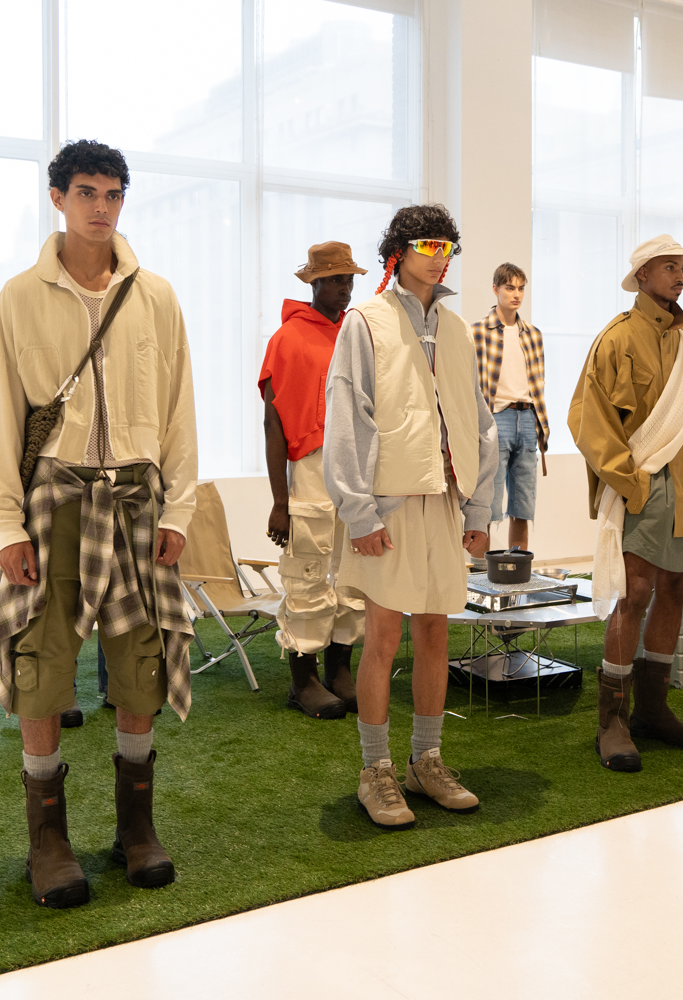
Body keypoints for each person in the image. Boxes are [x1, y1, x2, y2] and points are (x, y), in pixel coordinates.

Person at [0, 140, 198, 907]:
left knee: (142, 660)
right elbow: (1, 415)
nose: (101, 206)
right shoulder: (18, 297)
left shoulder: (157, 296)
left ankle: (136, 828)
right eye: (86, 192)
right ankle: (49, 840)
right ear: (57, 198)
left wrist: (182, 508)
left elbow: (179, 411)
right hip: (55, 504)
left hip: (138, 499)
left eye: (113, 193)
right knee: (40, 667)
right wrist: (6, 525)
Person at [324, 204, 498, 829]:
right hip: (388, 507)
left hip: (445, 501)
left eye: (449, 243)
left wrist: (479, 507)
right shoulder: (364, 321)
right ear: (398, 249)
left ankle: (428, 759)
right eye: (429, 242)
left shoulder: (455, 329)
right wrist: (360, 513)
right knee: (382, 636)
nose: (441, 253)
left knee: (434, 633)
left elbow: (478, 422)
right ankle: (377, 770)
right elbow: (346, 417)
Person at [568, 234, 683, 773]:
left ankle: (655, 707)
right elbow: (589, 420)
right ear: (642, 276)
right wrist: (630, 483)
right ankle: (612, 718)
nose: (679, 275)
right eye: (668, 266)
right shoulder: (616, 339)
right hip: (644, 485)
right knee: (634, 593)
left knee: (677, 587)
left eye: (682, 266)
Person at [259, 241, 369, 718]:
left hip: (359, 466)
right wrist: (279, 501)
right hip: (309, 466)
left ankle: (340, 670)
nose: (344, 289)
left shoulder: (357, 334)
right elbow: (274, 423)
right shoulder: (287, 340)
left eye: (349, 279)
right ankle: (302, 679)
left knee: (354, 569)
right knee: (307, 565)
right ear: (314, 283)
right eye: (336, 280)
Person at [471, 262, 549, 552]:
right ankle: (482, 572)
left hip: (528, 418)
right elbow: (470, 385)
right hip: (496, 417)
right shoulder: (477, 332)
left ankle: (517, 570)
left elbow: (539, 386)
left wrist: (542, 427)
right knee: (488, 501)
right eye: (509, 287)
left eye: (520, 288)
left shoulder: (533, 335)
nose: (516, 294)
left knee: (523, 503)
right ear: (496, 289)